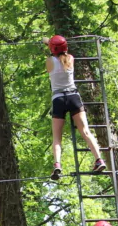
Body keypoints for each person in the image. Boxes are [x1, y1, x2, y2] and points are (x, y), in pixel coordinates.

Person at [44, 35, 106, 180]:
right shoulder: (70, 59)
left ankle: (57, 164)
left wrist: (47, 41)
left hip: (58, 99)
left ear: (52, 49)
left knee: (57, 138)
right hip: (73, 97)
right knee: (85, 131)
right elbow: (59, 52)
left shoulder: (49, 61)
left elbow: (52, 55)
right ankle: (99, 159)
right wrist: (52, 43)